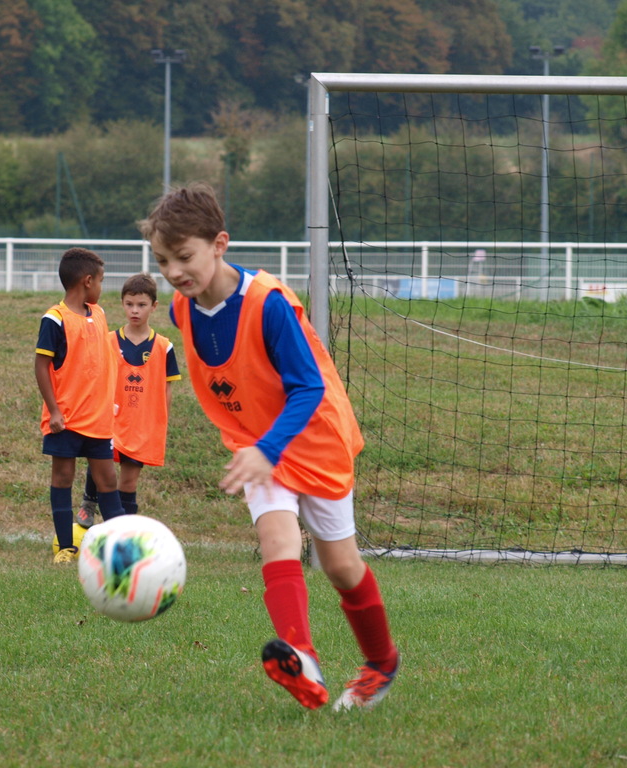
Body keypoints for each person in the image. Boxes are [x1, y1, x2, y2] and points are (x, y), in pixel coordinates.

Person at [141, 182, 399, 712]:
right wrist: (260, 449)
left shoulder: (268, 304)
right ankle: (301, 658)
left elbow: (309, 387)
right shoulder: (182, 310)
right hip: (257, 444)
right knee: (277, 538)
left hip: (313, 437)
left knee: (341, 566)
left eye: (184, 257)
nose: (174, 272)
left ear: (220, 244)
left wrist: (269, 448)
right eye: (163, 261)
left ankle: (381, 662)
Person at [34, 247, 125, 564]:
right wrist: (54, 411)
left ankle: (121, 549)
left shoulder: (98, 314)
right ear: (87, 281)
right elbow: (41, 366)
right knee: (63, 477)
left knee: (107, 480)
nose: (102, 287)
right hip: (67, 419)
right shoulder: (55, 319)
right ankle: (65, 548)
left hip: (98, 419)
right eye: (101, 281)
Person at [76, 272, 182, 526]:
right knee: (101, 466)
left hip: (141, 425)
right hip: (110, 420)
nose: (135, 310)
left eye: (142, 305)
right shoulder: (109, 341)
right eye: (129, 304)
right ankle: (89, 503)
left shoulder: (164, 347)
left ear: (154, 306)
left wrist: (160, 423)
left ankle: (124, 528)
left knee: (129, 481)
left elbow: (166, 388)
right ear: (122, 304)